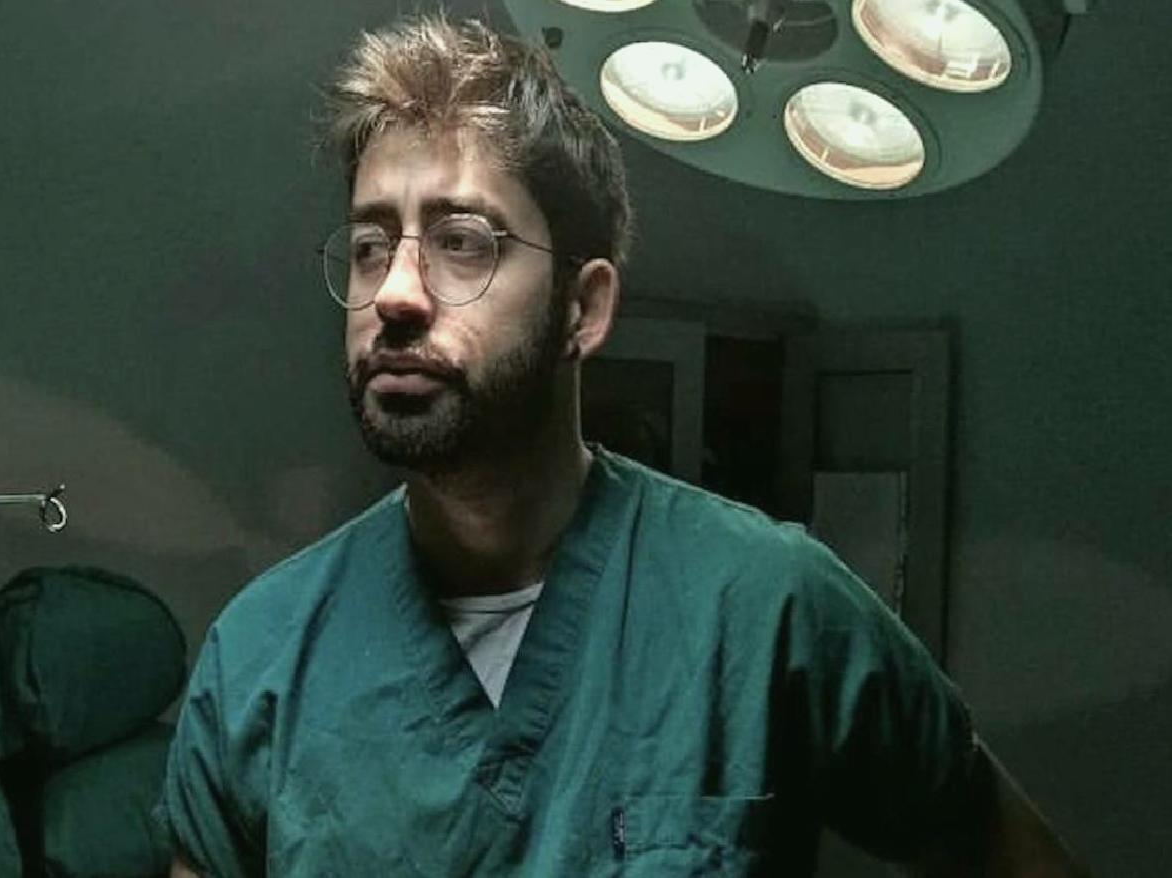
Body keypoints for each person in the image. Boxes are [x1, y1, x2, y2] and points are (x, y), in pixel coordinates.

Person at [161, 12, 1087, 876]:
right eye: (371, 246)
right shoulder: (261, 659)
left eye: (462, 241)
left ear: (584, 307)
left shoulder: (766, 607)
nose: (395, 293)